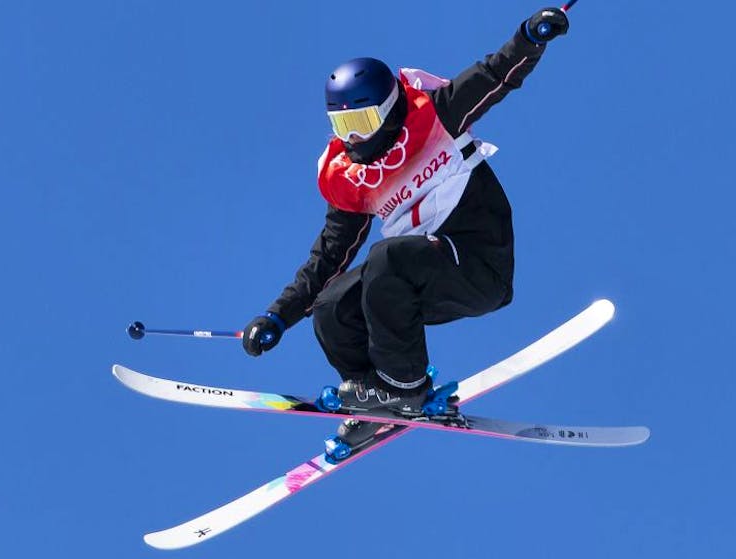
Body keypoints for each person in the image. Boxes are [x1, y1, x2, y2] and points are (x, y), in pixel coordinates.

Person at [242, 7, 571, 457]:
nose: (354, 139)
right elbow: (328, 258)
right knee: (333, 304)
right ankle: (376, 397)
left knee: (387, 258)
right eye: (342, 127)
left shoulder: (435, 114)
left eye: (361, 124)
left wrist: (532, 36)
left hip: (476, 263)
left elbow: (497, 75)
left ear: (390, 109)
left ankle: (406, 387)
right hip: (421, 276)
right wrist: (278, 315)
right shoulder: (349, 176)